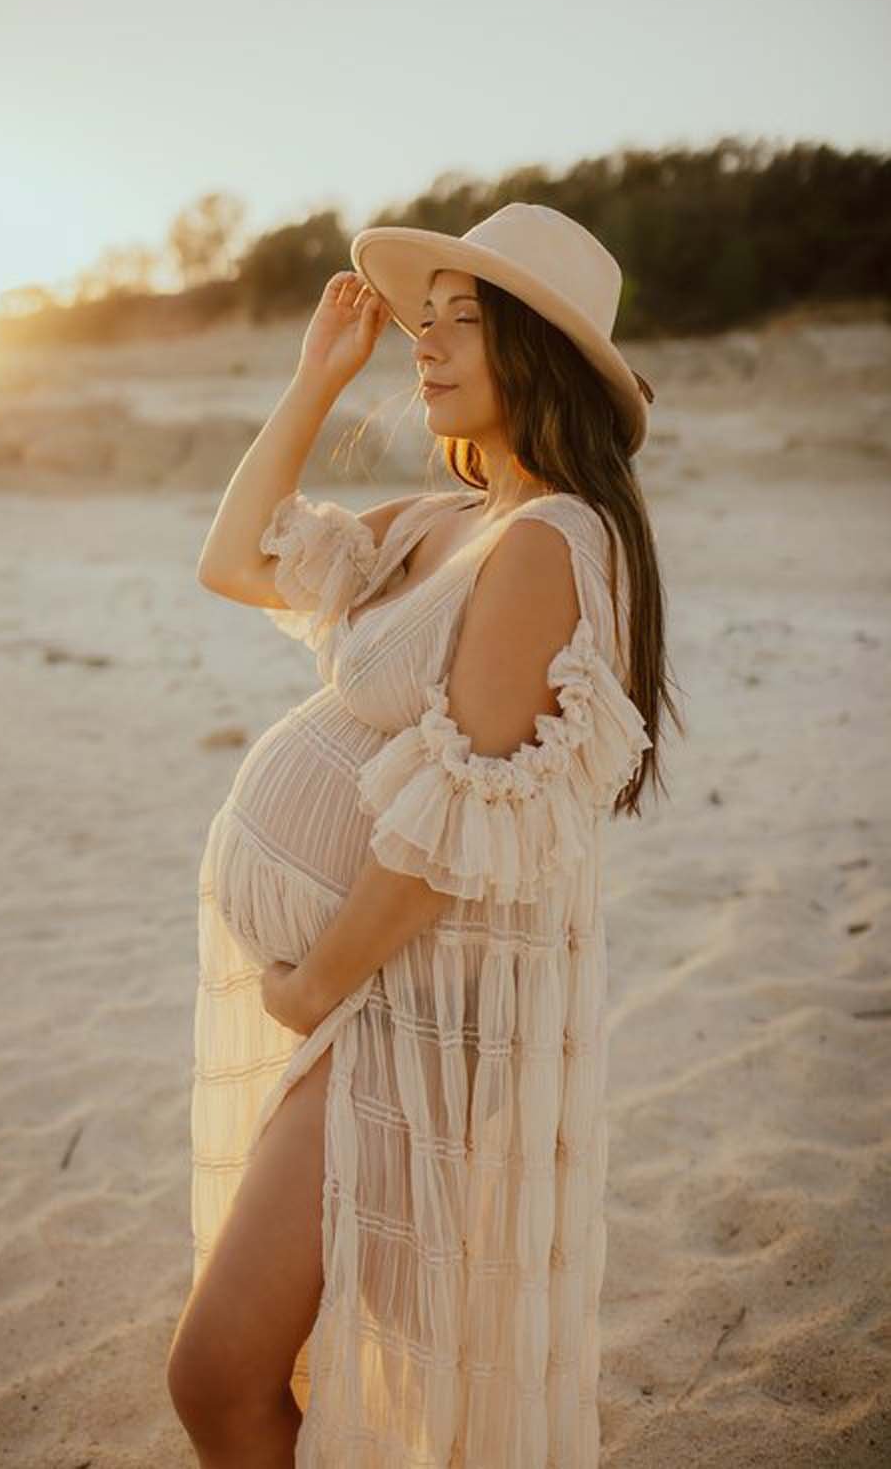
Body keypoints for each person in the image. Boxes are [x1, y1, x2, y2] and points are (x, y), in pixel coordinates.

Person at [167, 202, 682, 1468]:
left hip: (401, 1014)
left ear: (539, 355)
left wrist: (309, 993)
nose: (425, 347)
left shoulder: (553, 542)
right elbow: (233, 560)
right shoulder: (437, 525)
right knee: (322, 1372)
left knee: (222, 1374)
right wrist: (310, 383)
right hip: (355, 1004)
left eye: (465, 324)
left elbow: (445, 834)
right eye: (425, 320)